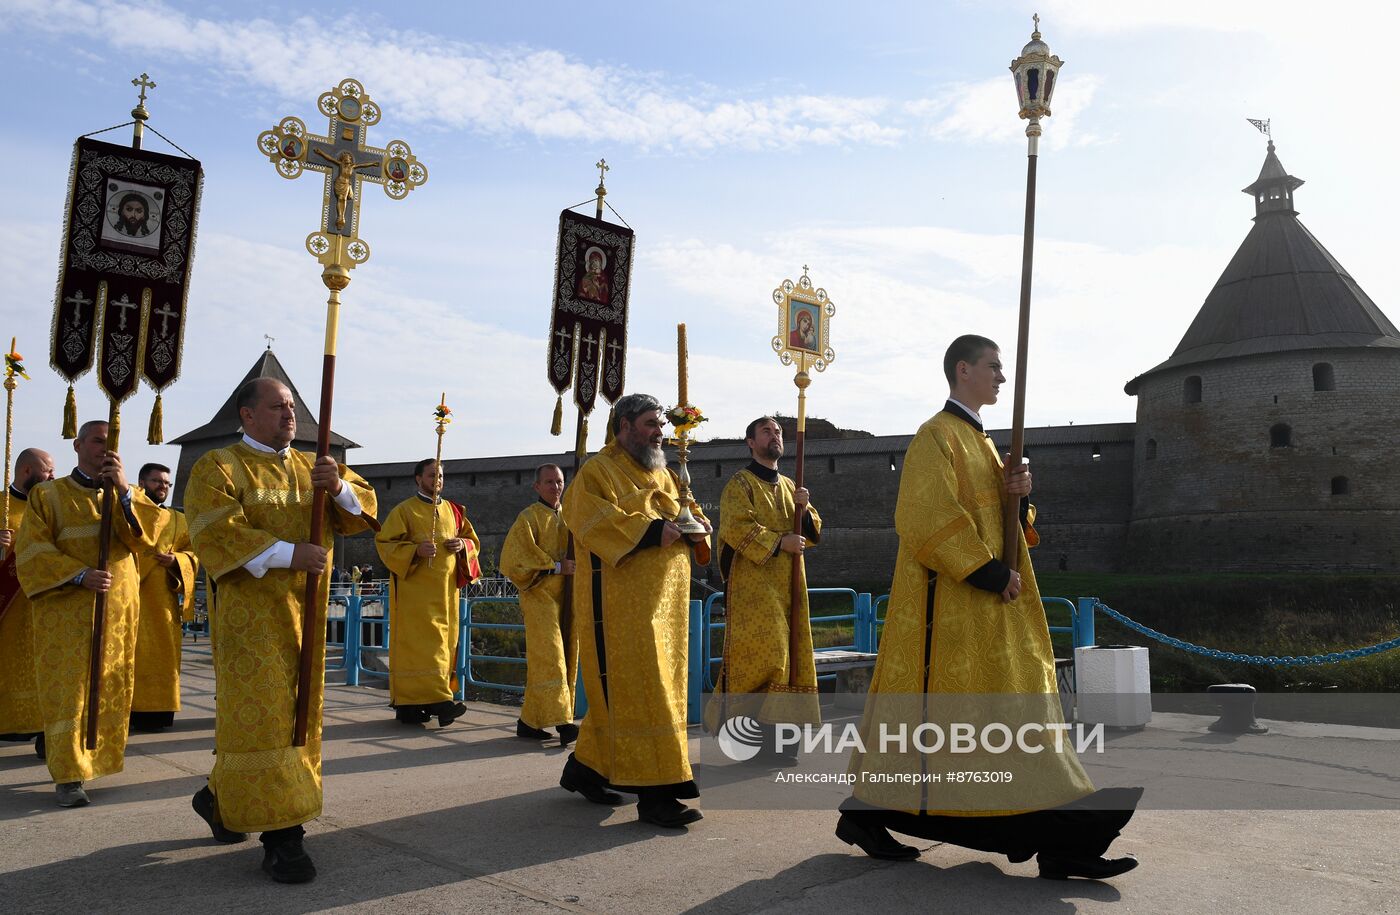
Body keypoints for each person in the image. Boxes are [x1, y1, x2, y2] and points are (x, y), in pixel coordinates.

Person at [835, 335, 1141, 881]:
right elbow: (924, 517)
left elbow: (1005, 526)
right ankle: (1057, 835)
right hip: (950, 614)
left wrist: (1018, 497)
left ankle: (1057, 834)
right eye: (994, 367)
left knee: (1006, 721)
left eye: (1003, 368)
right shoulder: (936, 437)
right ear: (963, 370)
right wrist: (991, 572)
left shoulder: (985, 444)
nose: (1003, 377)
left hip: (993, 614)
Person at [183, 378, 377, 884]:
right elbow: (213, 530)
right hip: (252, 623)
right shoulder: (218, 466)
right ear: (247, 416)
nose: (289, 415)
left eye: (292, 406)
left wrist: (336, 487)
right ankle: (283, 840)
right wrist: (293, 554)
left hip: (307, 617)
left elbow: (364, 514)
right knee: (268, 721)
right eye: (277, 406)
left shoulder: (312, 466)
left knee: (298, 716)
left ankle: (220, 797)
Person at [557, 393, 712, 828]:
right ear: (623, 426)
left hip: (666, 605)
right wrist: (648, 531)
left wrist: (698, 528)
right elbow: (586, 518)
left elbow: (685, 507)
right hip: (622, 609)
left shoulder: (663, 472)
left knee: (632, 697)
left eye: (660, 424)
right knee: (647, 693)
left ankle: (584, 768)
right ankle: (658, 795)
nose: (659, 432)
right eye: (650, 423)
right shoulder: (597, 472)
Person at [15, 422, 159, 807]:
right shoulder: (48, 495)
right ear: (77, 445)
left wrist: (126, 493)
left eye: (112, 442)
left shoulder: (130, 494)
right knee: (70, 692)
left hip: (116, 611)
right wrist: (78, 575)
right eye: (97, 440)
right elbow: (31, 552)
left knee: (108, 685)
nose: (105, 448)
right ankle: (68, 774)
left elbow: (146, 539)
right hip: (67, 615)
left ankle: (99, 759)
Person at [704, 417, 822, 753]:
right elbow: (734, 527)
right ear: (750, 442)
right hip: (754, 589)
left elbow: (813, 531)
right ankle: (755, 738)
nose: (775, 436)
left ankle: (785, 741)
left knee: (794, 657)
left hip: (789, 585)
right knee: (769, 657)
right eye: (766, 432)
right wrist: (780, 541)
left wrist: (805, 507)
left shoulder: (789, 485)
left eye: (779, 432)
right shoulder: (739, 484)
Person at [374, 458, 479, 727]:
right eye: (432, 475)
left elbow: (473, 542)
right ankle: (441, 702)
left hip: (446, 594)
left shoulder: (455, 511)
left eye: (441, 475)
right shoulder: (404, 511)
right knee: (424, 647)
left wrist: (462, 545)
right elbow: (385, 544)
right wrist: (415, 551)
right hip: (414, 595)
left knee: (444, 644)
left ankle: (410, 706)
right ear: (418, 479)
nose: (438, 480)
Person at [500, 463, 578, 745]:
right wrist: (557, 567)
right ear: (536, 486)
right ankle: (563, 721)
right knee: (552, 656)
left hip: (568, 596)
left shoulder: (571, 516)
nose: (555, 487)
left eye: (559, 481)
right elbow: (513, 559)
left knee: (566, 655)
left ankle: (529, 722)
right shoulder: (528, 518)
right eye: (549, 482)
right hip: (539, 596)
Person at [129, 462, 198, 732]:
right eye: (157, 481)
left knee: (162, 656)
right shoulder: (129, 512)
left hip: (163, 602)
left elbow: (194, 554)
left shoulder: (179, 519)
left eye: (167, 483)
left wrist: (176, 560)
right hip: (129, 597)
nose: (163, 487)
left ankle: (159, 712)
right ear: (142, 482)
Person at [0, 448, 56, 758]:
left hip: (41, 604)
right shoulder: (1, 505)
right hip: (6, 608)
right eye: (48, 470)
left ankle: (43, 733)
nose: (52, 476)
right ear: (26, 471)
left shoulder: (49, 509)